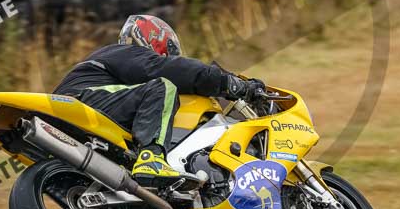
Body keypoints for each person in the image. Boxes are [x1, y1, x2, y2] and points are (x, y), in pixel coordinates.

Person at [53, 14, 265, 185]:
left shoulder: (119, 71)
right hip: (80, 99)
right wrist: (230, 83)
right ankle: (151, 158)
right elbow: (177, 71)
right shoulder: (124, 52)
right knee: (163, 86)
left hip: (81, 115)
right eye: (169, 52)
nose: (168, 57)